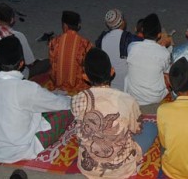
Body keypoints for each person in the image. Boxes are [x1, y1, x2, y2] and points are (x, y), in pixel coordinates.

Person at [0, 36, 72, 163]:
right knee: (68, 110)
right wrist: (71, 99)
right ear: (21, 63)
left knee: (39, 105)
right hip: (19, 151)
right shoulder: (27, 88)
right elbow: (60, 104)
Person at [72, 48, 145, 178]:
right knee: (150, 129)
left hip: (89, 169)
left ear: (85, 76)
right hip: (122, 169)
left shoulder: (77, 99)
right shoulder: (127, 100)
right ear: (112, 71)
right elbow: (137, 129)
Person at [0, 3, 49, 78]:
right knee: (47, 63)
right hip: (16, 75)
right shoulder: (18, 36)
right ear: (12, 20)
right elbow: (30, 62)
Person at [124, 13, 170, 105]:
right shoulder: (164, 52)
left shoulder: (132, 47)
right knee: (168, 71)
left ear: (142, 31)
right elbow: (166, 72)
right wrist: (164, 46)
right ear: (159, 35)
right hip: (155, 97)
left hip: (133, 96)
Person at [95, 9, 143, 91]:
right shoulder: (129, 38)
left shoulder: (101, 39)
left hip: (110, 86)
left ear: (107, 25)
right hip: (127, 87)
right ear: (123, 22)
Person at [48, 11, 93, 95]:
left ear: (65, 26)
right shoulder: (86, 44)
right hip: (78, 89)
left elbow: (53, 66)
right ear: (78, 26)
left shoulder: (54, 42)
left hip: (58, 87)